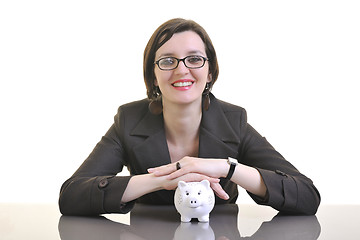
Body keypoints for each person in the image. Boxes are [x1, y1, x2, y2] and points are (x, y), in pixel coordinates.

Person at [59, 18, 320, 216]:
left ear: (209, 72)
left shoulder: (233, 120)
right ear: (153, 75)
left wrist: (226, 168)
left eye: (194, 59)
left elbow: (307, 196)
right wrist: (164, 178)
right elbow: (71, 196)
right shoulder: (128, 119)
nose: (182, 69)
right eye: (168, 61)